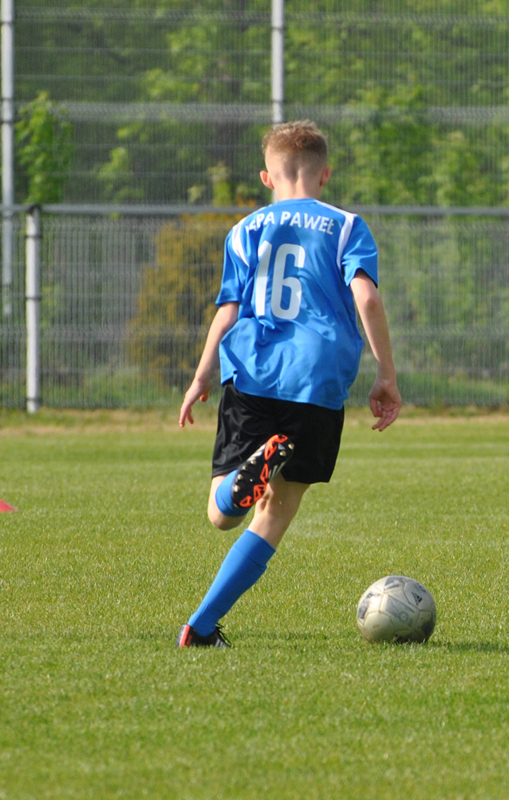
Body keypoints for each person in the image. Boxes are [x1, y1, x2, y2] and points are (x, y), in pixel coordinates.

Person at [176, 120, 402, 647]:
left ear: (267, 177)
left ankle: (238, 485)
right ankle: (201, 626)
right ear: (325, 174)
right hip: (316, 379)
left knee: (220, 515)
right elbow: (367, 299)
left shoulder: (245, 229)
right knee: (277, 511)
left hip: (253, 369)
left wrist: (202, 374)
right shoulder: (347, 226)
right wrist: (386, 374)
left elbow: (228, 310)